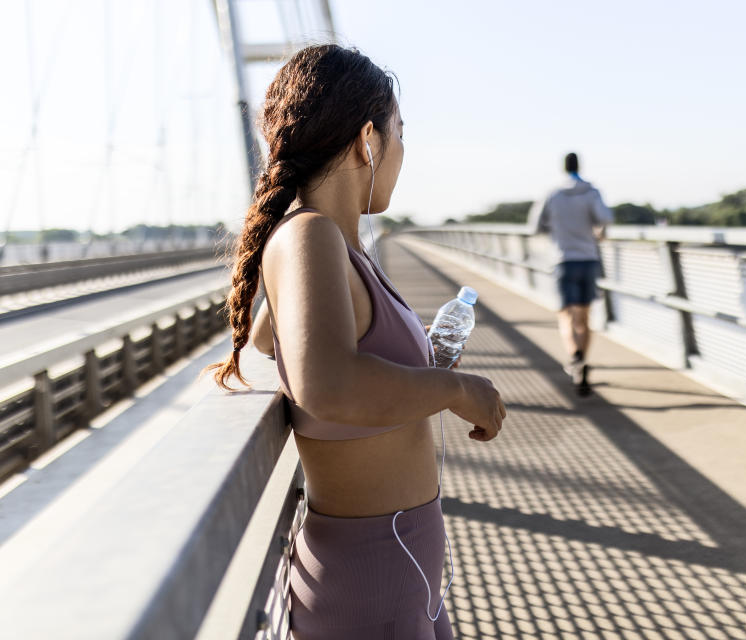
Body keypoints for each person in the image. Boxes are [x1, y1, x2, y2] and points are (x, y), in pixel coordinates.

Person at [204, 45, 506, 640]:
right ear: (368, 138)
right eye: (400, 131)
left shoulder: (337, 246)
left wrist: (416, 361)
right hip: (370, 573)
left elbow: (278, 337)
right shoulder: (311, 235)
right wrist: (453, 387)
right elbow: (328, 384)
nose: (402, 151)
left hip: (403, 563)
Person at [528, 152, 613, 395]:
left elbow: (535, 226)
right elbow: (605, 218)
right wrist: (597, 232)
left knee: (566, 316)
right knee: (584, 317)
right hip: (588, 259)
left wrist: (555, 229)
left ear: (563, 167)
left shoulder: (553, 194)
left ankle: (575, 359)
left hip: (563, 260)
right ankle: (583, 357)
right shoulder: (591, 191)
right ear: (580, 166)